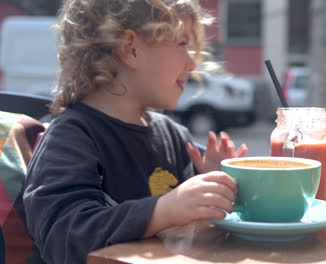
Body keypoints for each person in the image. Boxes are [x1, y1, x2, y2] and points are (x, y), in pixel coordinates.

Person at [22, 1, 248, 263]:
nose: (191, 64)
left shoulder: (174, 136)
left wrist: (213, 186)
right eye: (183, 44)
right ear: (130, 48)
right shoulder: (72, 137)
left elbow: (186, 233)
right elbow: (63, 237)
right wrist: (163, 210)